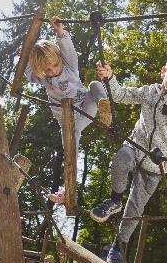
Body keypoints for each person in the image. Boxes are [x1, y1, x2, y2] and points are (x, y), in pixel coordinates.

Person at [90, 50, 167, 263]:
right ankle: (114, 200)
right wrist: (110, 77)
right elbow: (120, 95)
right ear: (164, 71)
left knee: (135, 210)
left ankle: (116, 250)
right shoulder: (149, 92)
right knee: (120, 158)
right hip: (136, 147)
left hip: (156, 165)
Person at [24, 16, 111, 203]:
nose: (53, 71)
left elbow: (68, 49)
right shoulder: (44, 79)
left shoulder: (69, 65)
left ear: (59, 60)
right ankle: (67, 192)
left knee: (95, 84)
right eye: (47, 69)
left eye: (55, 65)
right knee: (70, 155)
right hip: (68, 122)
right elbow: (28, 72)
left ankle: (105, 106)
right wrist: (27, 47)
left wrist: (60, 32)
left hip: (86, 106)